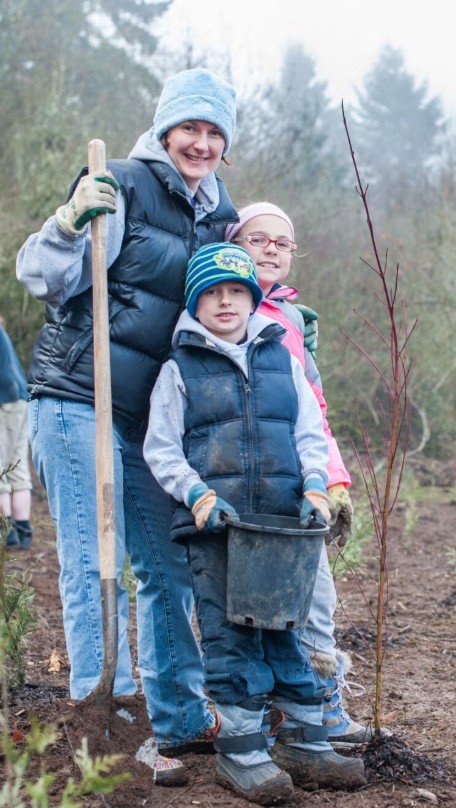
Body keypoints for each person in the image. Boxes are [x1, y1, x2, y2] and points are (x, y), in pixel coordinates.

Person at [17, 68, 240, 782]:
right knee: (94, 558)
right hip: (78, 395)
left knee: (168, 563)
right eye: (191, 129)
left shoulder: (217, 213)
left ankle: (175, 716)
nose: (201, 144)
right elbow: (39, 275)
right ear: (167, 130)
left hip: (149, 419)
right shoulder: (120, 183)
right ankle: (103, 714)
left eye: (214, 133)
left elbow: (222, 303)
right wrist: (67, 221)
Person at [144, 242, 365, 803]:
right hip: (218, 530)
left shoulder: (281, 359)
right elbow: (162, 448)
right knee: (231, 636)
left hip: (281, 526)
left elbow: (310, 431)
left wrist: (315, 483)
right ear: (196, 304)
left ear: (252, 299)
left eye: (236, 292)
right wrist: (196, 494)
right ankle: (241, 753)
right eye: (212, 293)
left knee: (285, 629)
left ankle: (304, 741)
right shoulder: (180, 369)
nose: (225, 302)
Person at [226, 203, 379, 747]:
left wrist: (333, 477)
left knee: (314, 599)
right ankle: (263, 713)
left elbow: (314, 406)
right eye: (256, 239)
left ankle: (317, 707)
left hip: (301, 482)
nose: (270, 249)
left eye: (282, 242)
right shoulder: (222, 311)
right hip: (244, 484)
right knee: (250, 606)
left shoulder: (290, 320)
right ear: (232, 245)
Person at [0, 315, 33, 548]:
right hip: (20, 398)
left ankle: (6, 531)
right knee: (17, 465)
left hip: (5, 400)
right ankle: (22, 530)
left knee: (1, 468)